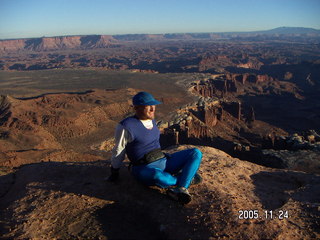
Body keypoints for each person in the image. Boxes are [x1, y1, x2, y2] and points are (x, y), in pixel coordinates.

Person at [107, 91, 202, 204]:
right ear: (136, 108)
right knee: (157, 176)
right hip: (144, 168)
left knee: (195, 153)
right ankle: (186, 178)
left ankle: (181, 188)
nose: (153, 109)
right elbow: (119, 150)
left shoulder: (151, 119)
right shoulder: (126, 126)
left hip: (164, 160)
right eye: (149, 106)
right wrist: (115, 171)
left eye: (154, 106)